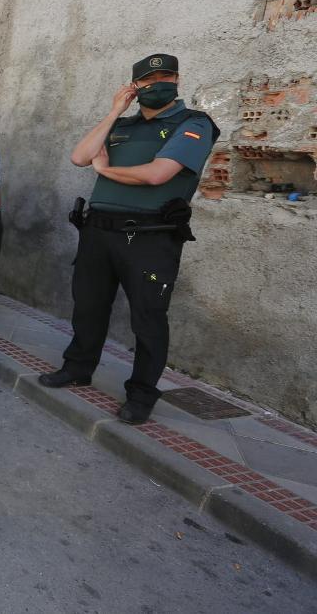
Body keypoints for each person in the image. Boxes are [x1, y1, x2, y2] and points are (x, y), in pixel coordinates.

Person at [39, 54, 218, 425]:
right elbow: (79, 157)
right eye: (148, 80)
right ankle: (77, 368)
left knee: (148, 318)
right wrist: (113, 112)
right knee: (88, 306)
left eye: (165, 76)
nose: (158, 84)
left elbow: (157, 175)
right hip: (99, 232)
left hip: (150, 236)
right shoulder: (122, 126)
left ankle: (141, 394)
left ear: (178, 80)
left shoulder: (193, 123)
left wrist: (106, 170)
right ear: (135, 87)